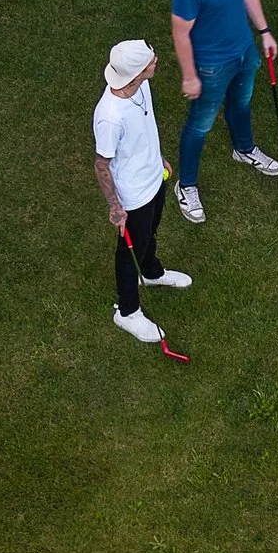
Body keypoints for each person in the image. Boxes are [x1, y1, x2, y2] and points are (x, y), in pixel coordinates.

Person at [170, 0, 278, 223]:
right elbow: (180, 34)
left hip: (244, 51)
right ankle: (186, 185)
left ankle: (243, 149)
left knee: (242, 102)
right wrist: (190, 76)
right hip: (211, 66)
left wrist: (264, 32)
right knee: (200, 124)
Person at [94, 38, 191, 343]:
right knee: (128, 252)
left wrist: (157, 157)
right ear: (136, 72)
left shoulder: (142, 86)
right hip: (133, 195)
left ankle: (150, 272)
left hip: (153, 178)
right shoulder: (110, 116)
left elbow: (145, 127)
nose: (156, 60)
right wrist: (115, 207)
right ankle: (127, 311)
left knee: (150, 232)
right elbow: (101, 164)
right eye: (151, 60)